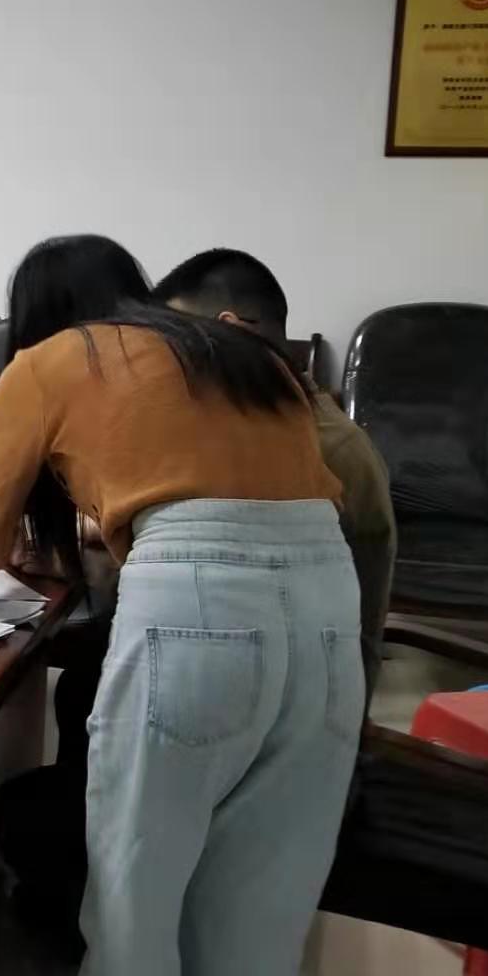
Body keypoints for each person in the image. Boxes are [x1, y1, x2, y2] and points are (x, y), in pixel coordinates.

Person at [0, 235, 363, 976]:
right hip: (328, 605)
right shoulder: (237, 354)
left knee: (134, 895)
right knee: (261, 901)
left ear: (33, 316)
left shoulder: (45, 364)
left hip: (195, 610)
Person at [153, 248, 396, 689]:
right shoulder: (270, 422)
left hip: (297, 692)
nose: (169, 362)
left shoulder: (320, 451)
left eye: (177, 342)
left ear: (229, 330)